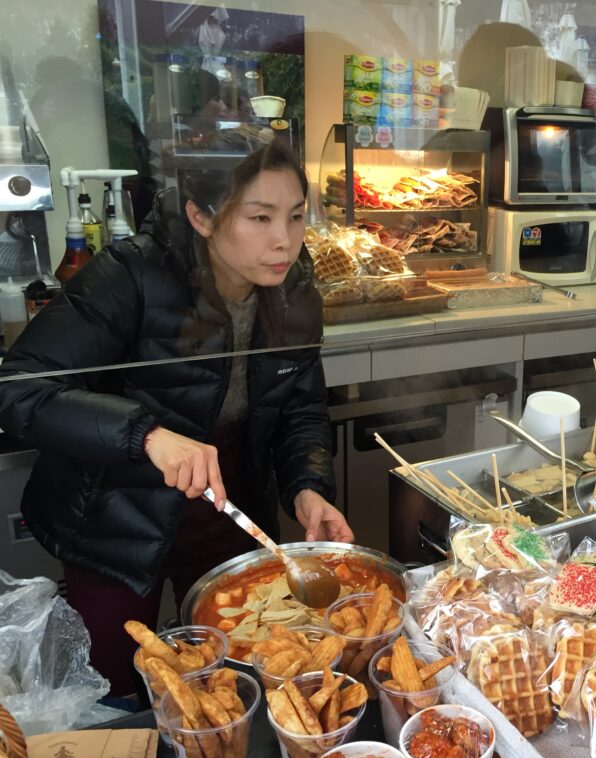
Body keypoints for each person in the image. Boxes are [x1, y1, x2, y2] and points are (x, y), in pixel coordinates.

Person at [0, 132, 353, 694]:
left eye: (295, 217)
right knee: (115, 685)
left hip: (227, 505)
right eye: (259, 218)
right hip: (118, 515)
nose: (284, 241)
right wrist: (144, 435)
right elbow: (17, 390)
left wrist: (308, 486)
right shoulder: (130, 275)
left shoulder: (295, 290)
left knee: (228, 677)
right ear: (201, 217)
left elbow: (300, 405)